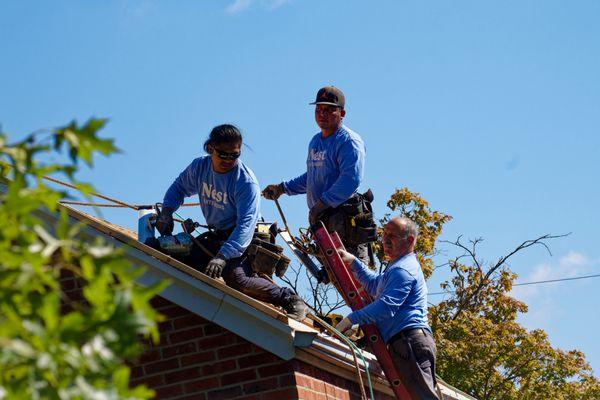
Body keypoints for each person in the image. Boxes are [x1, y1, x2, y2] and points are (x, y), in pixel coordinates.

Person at [156, 124, 308, 321]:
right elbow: (178, 188)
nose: (229, 160)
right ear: (210, 148)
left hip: (244, 240)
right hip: (218, 236)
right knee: (171, 253)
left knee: (236, 279)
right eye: (223, 154)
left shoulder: (245, 182)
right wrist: (167, 212)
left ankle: (289, 299)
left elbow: (246, 225)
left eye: (234, 155)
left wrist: (223, 256)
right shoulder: (199, 167)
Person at [262, 86, 374, 264]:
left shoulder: (348, 141)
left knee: (355, 279)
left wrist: (321, 205)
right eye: (319, 109)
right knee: (335, 275)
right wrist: (282, 188)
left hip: (345, 221)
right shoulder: (316, 141)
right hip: (323, 221)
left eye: (329, 110)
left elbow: (350, 179)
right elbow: (313, 176)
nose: (322, 114)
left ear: (342, 113)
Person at [335, 217, 440, 400]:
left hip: (409, 342)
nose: (385, 240)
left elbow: (386, 307)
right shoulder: (395, 267)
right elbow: (375, 285)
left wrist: (351, 319)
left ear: (410, 241)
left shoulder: (403, 270)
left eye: (392, 236)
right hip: (407, 342)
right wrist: (354, 263)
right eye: (384, 235)